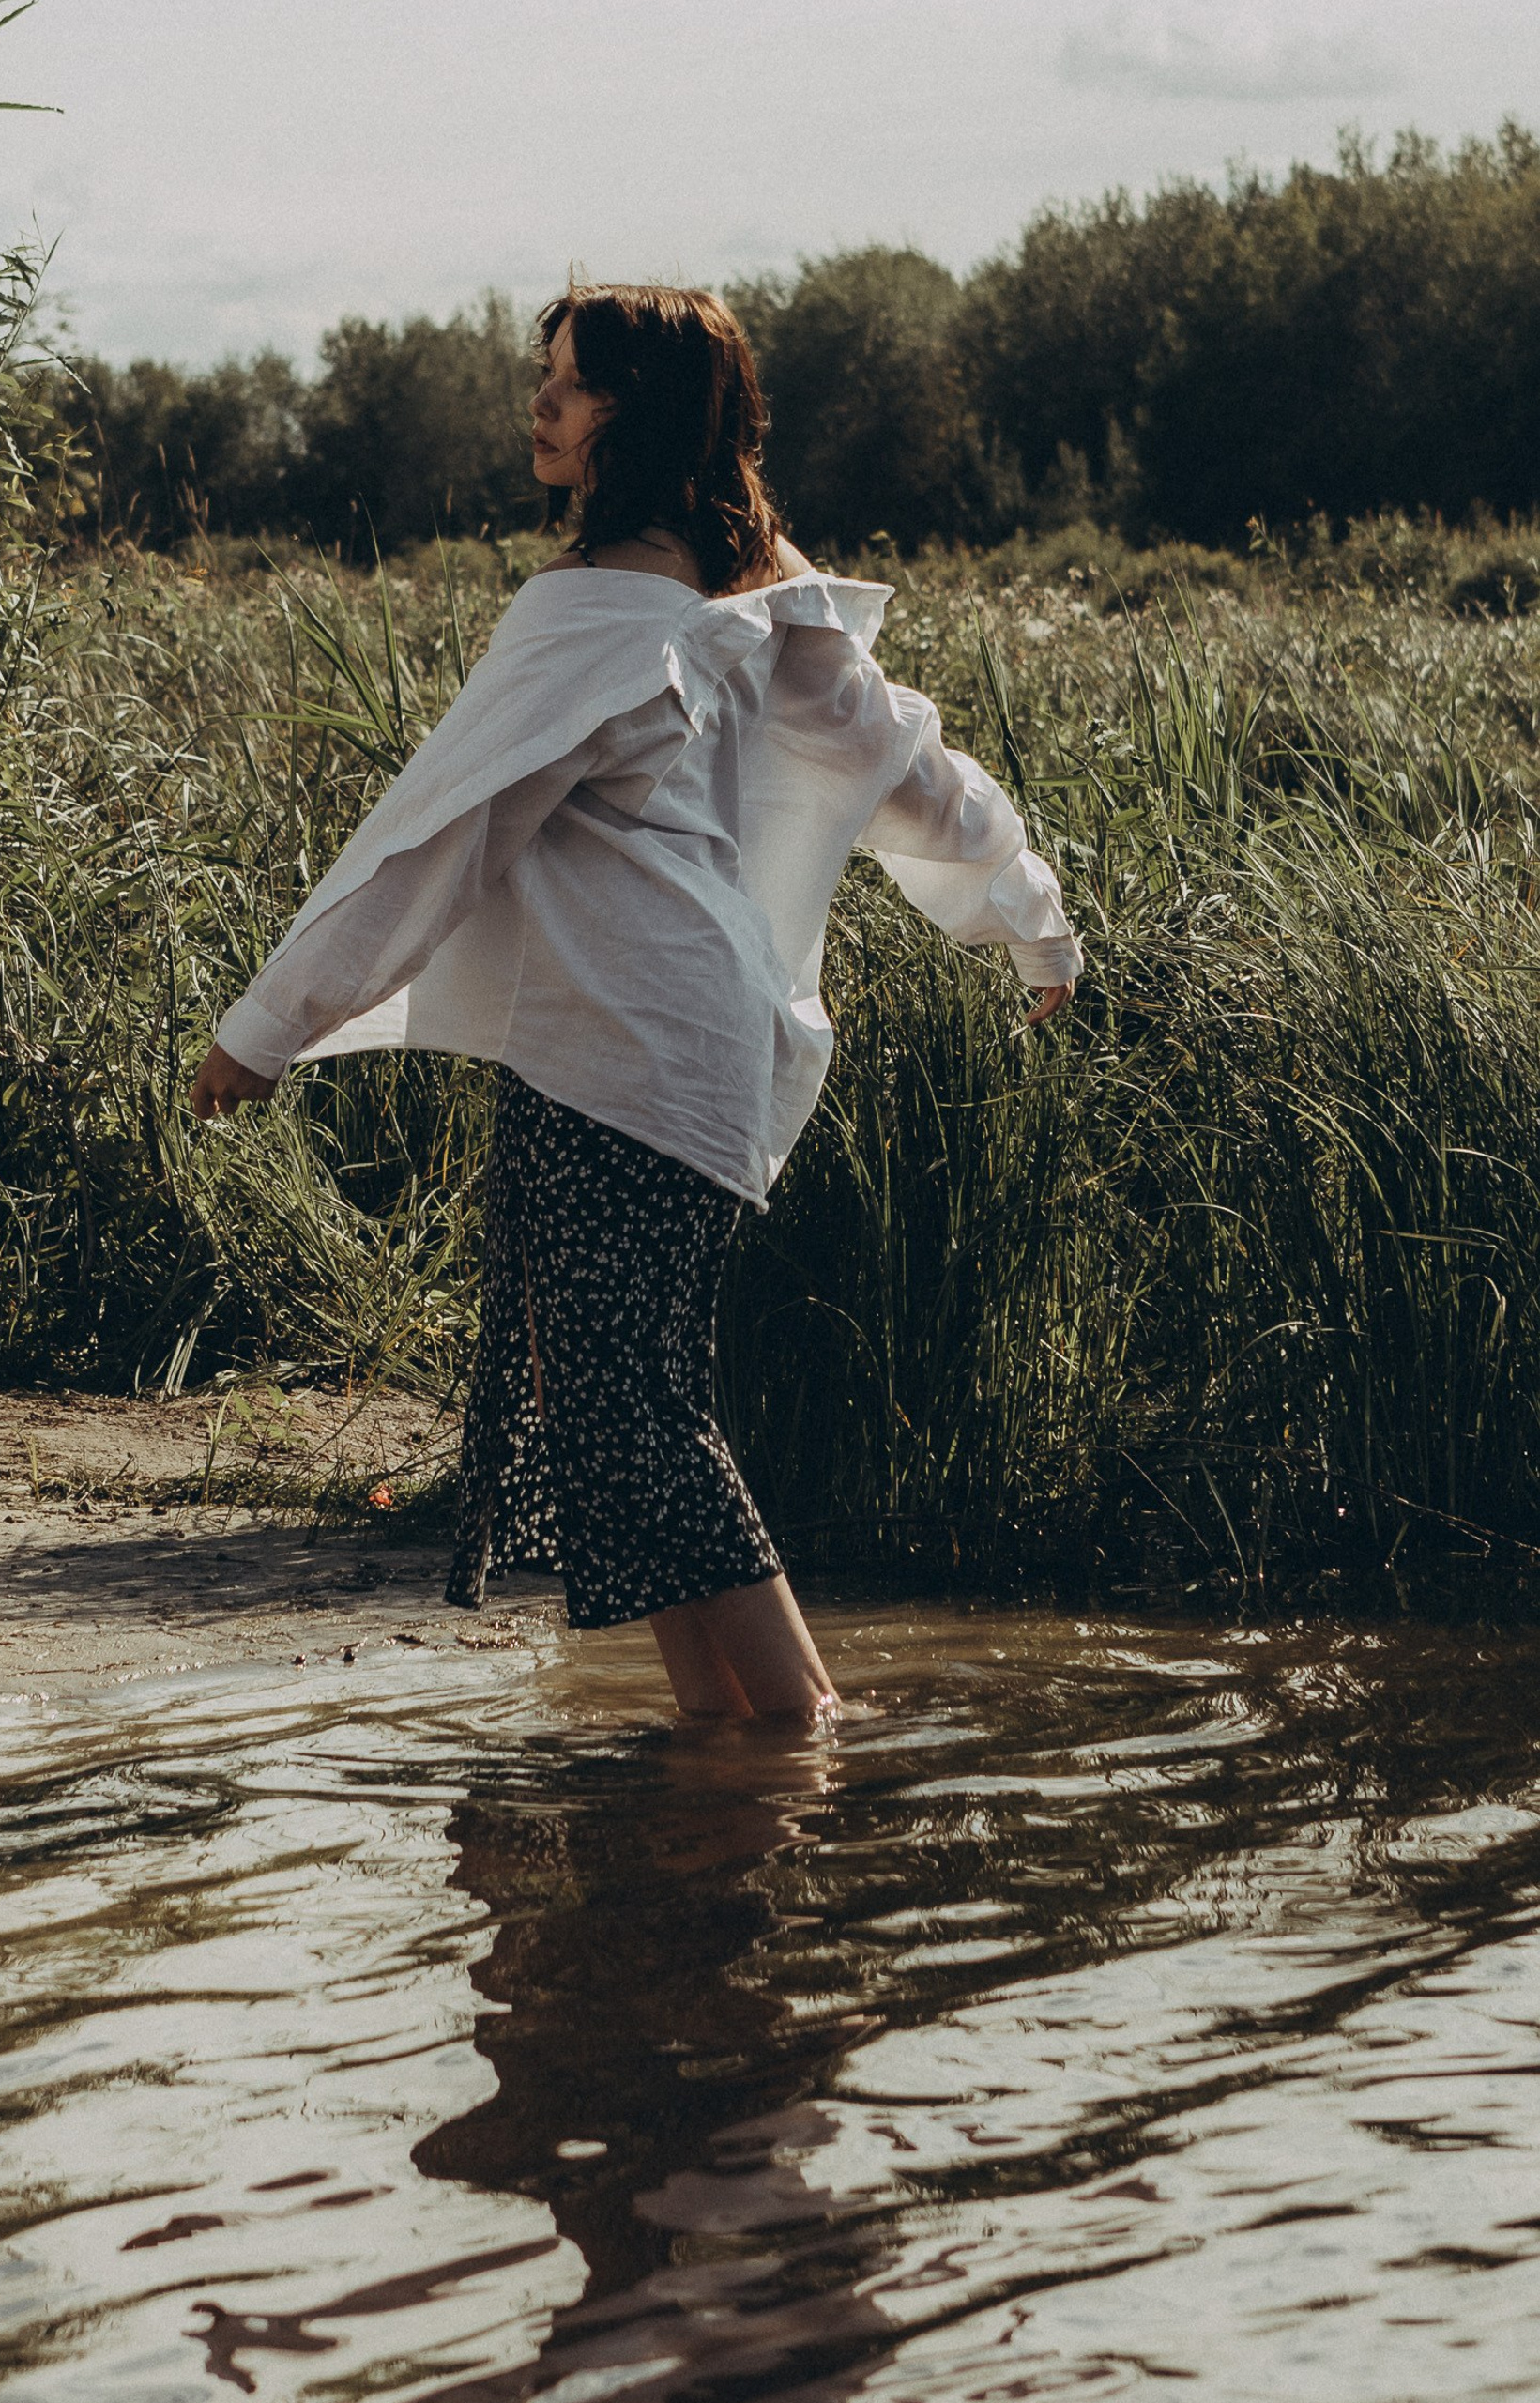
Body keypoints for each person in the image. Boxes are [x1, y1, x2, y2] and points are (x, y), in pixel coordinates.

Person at [189, 284, 1081, 1722]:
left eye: (574, 385)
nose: (540, 406)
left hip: (637, 1049)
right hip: (650, 1042)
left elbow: (437, 831)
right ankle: (715, 1731)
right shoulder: (746, 602)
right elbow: (921, 785)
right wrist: (1032, 920)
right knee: (596, 1391)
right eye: (543, 376)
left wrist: (267, 1025)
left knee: (633, 1404)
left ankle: (801, 1727)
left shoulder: (601, 613)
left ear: (643, 417)